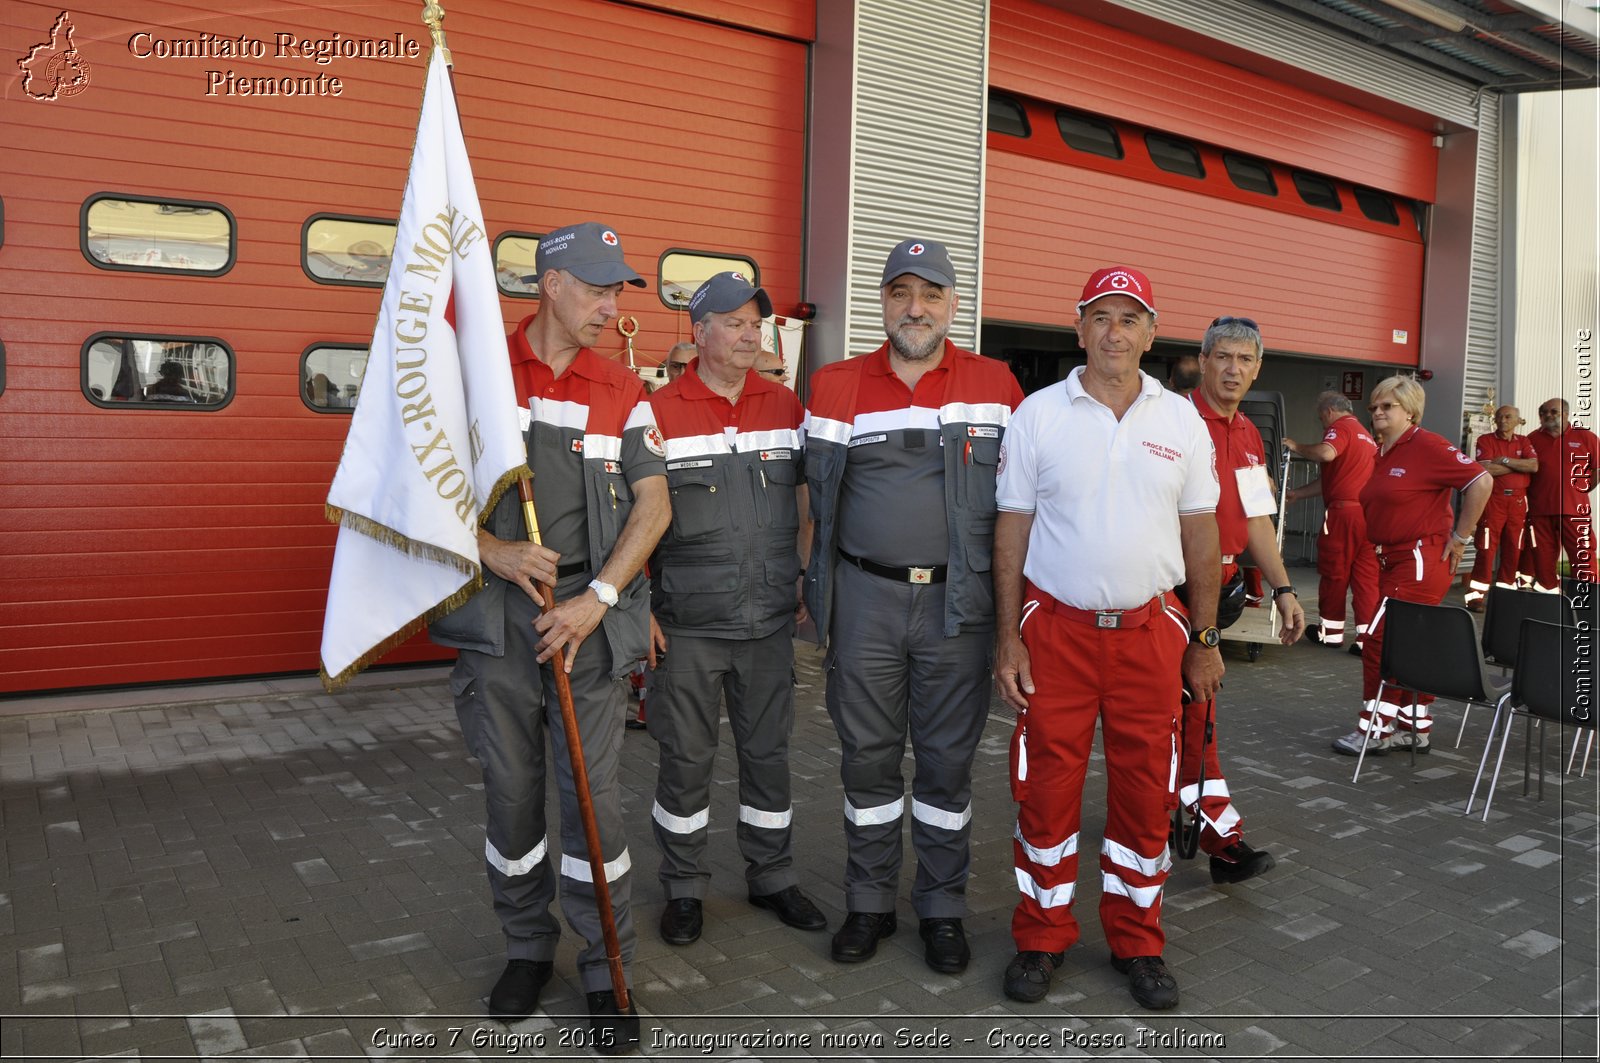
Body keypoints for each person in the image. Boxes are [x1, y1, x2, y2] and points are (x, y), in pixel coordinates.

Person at [428, 221, 670, 1053]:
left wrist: (598, 598)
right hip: (499, 633)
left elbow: (654, 504)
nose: (611, 305)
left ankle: (608, 970)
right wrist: (491, 549)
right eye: (599, 289)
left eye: (617, 290)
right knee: (512, 801)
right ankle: (527, 951)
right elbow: (417, 491)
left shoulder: (622, 388)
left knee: (594, 809)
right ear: (552, 284)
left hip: (586, 638)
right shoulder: (477, 372)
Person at [994, 265, 1222, 1011]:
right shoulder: (1037, 414)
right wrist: (1009, 638)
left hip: (1151, 634)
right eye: (1101, 316)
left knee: (1144, 794)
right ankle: (1041, 936)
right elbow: (1012, 527)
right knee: (1046, 792)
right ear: (1079, 327)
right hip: (1055, 630)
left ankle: (1138, 941)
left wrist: (1207, 636)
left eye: (1130, 318)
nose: (1114, 331)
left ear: (1151, 333)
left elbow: (1201, 534)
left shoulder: (1180, 421)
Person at [804, 238, 1023, 975]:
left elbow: (1026, 505)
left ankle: (941, 906)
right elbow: (811, 502)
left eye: (931, 294)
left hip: (957, 610)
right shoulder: (834, 384)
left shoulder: (997, 384)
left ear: (955, 305)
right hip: (864, 599)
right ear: (883, 302)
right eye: (901, 293)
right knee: (866, 759)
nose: (916, 308)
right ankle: (868, 902)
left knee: (946, 763)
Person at [645, 271, 825, 946]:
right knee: (685, 759)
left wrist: (804, 570)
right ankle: (684, 885)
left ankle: (772, 875)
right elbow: (633, 518)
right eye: (736, 323)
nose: (751, 334)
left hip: (769, 622)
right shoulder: (658, 413)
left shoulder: (785, 407)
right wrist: (641, 606)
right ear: (698, 332)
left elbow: (809, 499)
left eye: (757, 324)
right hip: (689, 625)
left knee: (767, 755)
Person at [1180, 315, 1305, 883]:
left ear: (1257, 370)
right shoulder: (1175, 420)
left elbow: (1257, 518)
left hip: (1220, 590)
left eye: (1245, 360)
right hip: (1171, 590)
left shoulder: (1250, 433)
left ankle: (1199, 828)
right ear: (1202, 361)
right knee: (1180, 717)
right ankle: (1211, 836)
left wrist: (1282, 589)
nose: (1233, 369)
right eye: (1223, 357)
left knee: (1196, 714)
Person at [1330, 375, 1491, 757]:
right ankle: (1414, 728)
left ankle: (1374, 729)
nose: (1378, 413)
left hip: (1418, 559)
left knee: (1379, 642)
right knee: (1411, 645)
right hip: (1390, 558)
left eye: (1388, 407)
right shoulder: (1384, 451)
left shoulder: (1427, 445)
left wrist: (1461, 537)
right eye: (1374, 407)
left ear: (1411, 411)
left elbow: (1480, 482)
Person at [1285, 392, 1378, 653]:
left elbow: (1326, 454)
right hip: (1368, 516)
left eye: (1321, 419)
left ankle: (1331, 633)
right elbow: (1333, 481)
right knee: (1366, 579)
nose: (1323, 425)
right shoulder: (1365, 436)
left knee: (1334, 572)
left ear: (1328, 412)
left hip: (1343, 516)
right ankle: (1367, 639)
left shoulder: (1341, 428)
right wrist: (1299, 494)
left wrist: (1297, 446)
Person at [1463, 405, 1537, 611]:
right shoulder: (1486, 440)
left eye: (1508, 417)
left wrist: (1504, 461)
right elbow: (1485, 468)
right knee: (1486, 550)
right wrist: (1518, 465)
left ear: (1518, 421)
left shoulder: (1524, 441)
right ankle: (1475, 598)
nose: (1503, 420)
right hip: (1493, 501)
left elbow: (1534, 466)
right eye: (1499, 417)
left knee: (1514, 548)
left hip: (1518, 504)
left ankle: (1506, 595)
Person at [1526, 398, 1599, 590]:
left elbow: (1597, 469)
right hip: (1539, 511)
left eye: (1554, 411)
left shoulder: (1586, 438)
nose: (1548, 415)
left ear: (1566, 414)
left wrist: (1579, 489)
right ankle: (1549, 603)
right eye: (1544, 412)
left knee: (1583, 557)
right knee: (1542, 561)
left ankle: (1588, 602)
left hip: (1575, 511)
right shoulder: (1531, 439)